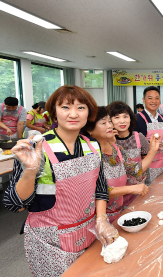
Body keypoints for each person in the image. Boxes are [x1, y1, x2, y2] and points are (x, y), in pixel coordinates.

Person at [2, 85, 118, 276]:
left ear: (89, 113)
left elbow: (100, 188)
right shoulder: (36, 147)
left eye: (81, 107)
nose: (73, 114)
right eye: (65, 107)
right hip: (50, 241)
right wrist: (30, 171)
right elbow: (15, 204)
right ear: (54, 113)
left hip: (88, 234)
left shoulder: (92, 145)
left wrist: (102, 219)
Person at [84, 106, 160, 221]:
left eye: (109, 121)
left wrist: (153, 150)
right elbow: (95, 191)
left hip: (119, 213)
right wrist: (131, 189)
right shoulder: (88, 154)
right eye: (104, 123)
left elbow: (136, 171)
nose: (110, 125)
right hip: (97, 220)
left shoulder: (117, 149)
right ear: (89, 129)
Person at [108, 101, 153, 189]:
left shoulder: (139, 137)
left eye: (125, 116)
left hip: (139, 189)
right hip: (118, 191)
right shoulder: (106, 142)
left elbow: (147, 164)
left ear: (130, 118)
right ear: (109, 120)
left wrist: (147, 184)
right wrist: (111, 144)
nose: (122, 121)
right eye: (116, 117)